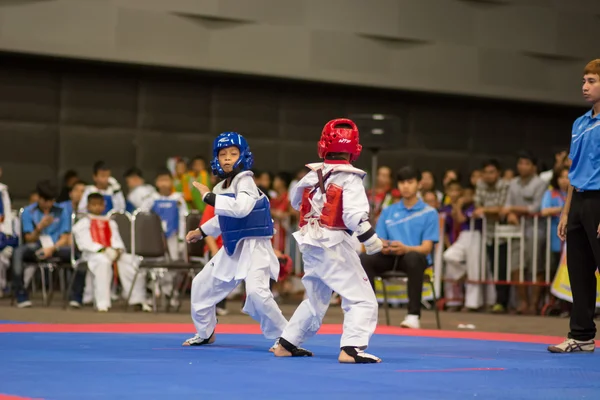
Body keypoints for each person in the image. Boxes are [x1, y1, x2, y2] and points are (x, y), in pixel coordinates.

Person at [273, 118, 383, 363]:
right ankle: (352, 349)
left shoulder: (311, 176)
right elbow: (354, 215)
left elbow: (294, 202)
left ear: (322, 145)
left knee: (315, 296)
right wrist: (372, 240)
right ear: (355, 149)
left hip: (310, 243)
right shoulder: (350, 178)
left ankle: (286, 343)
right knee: (361, 298)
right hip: (333, 244)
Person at [182, 132, 288, 348]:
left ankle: (287, 337)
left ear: (243, 155)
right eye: (223, 154)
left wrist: (207, 198)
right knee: (201, 285)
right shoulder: (220, 188)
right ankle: (205, 331)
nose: (228, 158)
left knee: (258, 293)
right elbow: (224, 218)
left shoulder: (245, 180)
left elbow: (241, 209)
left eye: (233, 153)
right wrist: (201, 231)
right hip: (233, 247)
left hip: (255, 246)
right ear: (216, 159)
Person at [549, 59, 600, 353]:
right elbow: (574, 170)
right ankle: (581, 336)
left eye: (591, 81)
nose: (584, 87)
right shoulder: (579, 123)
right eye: (583, 81)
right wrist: (566, 212)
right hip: (579, 200)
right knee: (579, 273)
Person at [360, 166, 439, 329]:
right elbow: (379, 239)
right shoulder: (388, 211)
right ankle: (368, 313)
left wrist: (406, 248)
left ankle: (413, 315)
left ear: (419, 184)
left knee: (413, 259)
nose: (405, 186)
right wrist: (386, 246)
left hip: (413, 256)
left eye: (410, 182)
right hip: (390, 255)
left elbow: (426, 248)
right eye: (402, 182)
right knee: (365, 259)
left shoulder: (429, 213)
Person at [72, 193, 149, 312]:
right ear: (88, 206)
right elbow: (84, 243)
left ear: (104, 206)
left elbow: (117, 240)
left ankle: (137, 299)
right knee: (103, 261)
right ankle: (102, 302)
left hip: (112, 252)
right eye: (94, 205)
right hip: (92, 255)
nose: (97, 207)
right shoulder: (83, 222)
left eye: (100, 205)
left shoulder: (110, 222)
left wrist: (117, 250)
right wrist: (103, 250)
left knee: (131, 260)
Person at [11, 180, 71, 307]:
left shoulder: (62, 211)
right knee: (18, 252)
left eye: (51, 201)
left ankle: (76, 296)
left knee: (79, 254)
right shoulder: (28, 212)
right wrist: (40, 227)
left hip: (56, 246)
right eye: (45, 200)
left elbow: (65, 237)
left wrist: (53, 248)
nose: (48, 204)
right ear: (38, 197)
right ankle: (21, 294)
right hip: (36, 246)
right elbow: (28, 239)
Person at [142, 169, 188, 307]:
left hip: (173, 236)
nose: (164, 184)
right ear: (156, 182)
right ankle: (154, 291)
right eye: (161, 180)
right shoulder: (150, 199)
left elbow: (183, 219)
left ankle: (170, 292)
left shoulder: (178, 199)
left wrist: (182, 239)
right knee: (155, 264)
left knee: (173, 263)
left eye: (166, 180)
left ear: (171, 182)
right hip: (155, 239)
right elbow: (142, 217)